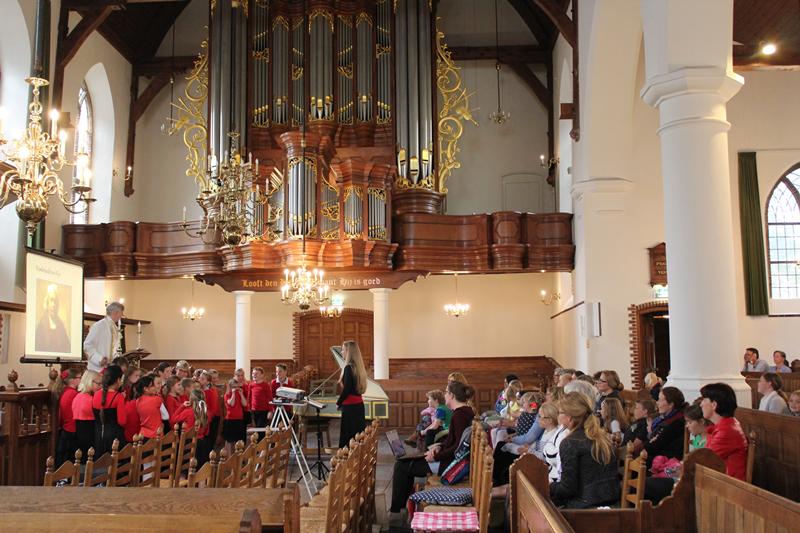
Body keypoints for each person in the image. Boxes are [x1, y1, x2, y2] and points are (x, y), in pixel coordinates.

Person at [389, 380, 475, 515]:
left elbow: (458, 449)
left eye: (446, 392)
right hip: (449, 459)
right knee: (404, 463)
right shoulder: (465, 411)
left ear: (452, 395)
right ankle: (400, 508)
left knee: (401, 466)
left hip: (450, 465)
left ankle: (396, 512)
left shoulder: (459, 415)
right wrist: (439, 446)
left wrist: (435, 456)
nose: (445, 395)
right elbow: (454, 442)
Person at [550, 392, 619, 509]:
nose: (558, 415)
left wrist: (550, 486)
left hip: (584, 506)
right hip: (610, 500)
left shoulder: (570, 442)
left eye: (560, 412)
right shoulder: (603, 436)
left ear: (570, 416)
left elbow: (568, 489)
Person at [700, 383, 748, 480]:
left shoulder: (726, 431)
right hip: (718, 480)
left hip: (727, 487)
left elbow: (705, 460)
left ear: (714, 405)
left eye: (704, 400)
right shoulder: (726, 425)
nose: (701, 404)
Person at [643, 387, 687, 466]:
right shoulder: (665, 419)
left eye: (660, 400)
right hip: (658, 458)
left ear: (670, 404)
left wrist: (651, 440)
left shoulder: (676, 423)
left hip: (667, 463)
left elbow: (652, 447)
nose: (657, 402)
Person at [337, 340, 368, 448]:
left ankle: (347, 463)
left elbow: (347, 390)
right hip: (358, 406)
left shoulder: (348, 367)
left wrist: (338, 402)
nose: (341, 352)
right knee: (357, 435)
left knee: (348, 437)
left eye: (343, 350)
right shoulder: (358, 367)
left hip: (350, 408)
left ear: (348, 352)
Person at [92, 365, 127, 456]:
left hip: (98, 435)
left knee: (101, 465)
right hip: (114, 437)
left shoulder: (96, 394)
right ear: (118, 380)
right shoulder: (118, 397)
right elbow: (122, 421)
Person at [83, 302, 124, 372]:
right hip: (96, 369)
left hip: (109, 369)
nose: (121, 316)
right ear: (115, 312)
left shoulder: (115, 328)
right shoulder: (99, 325)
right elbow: (87, 345)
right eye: (121, 313)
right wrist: (99, 359)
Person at [55, 368, 81, 465]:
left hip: (66, 428)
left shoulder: (65, 391)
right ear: (72, 380)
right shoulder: (73, 393)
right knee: (71, 459)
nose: (81, 380)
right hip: (72, 428)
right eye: (79, 378)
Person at [35, 284, 70, 353]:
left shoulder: (60, 324)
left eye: (56, 301)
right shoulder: (41, 324)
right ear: (47, 303)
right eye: (51, 300)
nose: (54, 305)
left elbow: (67, 347)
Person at [73, 370, 99, 462]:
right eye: (98, 383)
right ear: (90, 381)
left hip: (79, 432)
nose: (100, 386)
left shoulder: (78, 396)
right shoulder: (90, 399)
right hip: (89, 432)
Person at [223, 378, 247, 454]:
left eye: (237, 386)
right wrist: (233, 393)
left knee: (239, 440)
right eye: (234, 387)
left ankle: (239, 458)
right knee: (230, 440)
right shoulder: (227, 395)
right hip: (230, 419)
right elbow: (232, 403)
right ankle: (230, 458)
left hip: (239, 419)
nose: (236, 388)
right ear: (230, 387)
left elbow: (245, 404)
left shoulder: (239, 394)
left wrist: (241, 394)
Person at [199, 370, 220, 448]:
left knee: (209, 442)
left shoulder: (211, 391)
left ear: (208, 382)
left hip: (211, 419)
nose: (200, 380)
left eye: (203, 379)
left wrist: (207, 419)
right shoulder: (201, 391)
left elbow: (214, 409)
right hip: (204, 419)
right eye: (200, 378)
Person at [248, 366, 272, 434]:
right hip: (254, 410)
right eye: (253, 373)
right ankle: (258, 443)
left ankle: (260, 444)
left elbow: (270, 398)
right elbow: (249, 398)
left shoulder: (266, 385)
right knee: (256, 429)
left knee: (260, 429)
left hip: (263, 411)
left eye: (256, 373)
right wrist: (249, 409)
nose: (254, 375)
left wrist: (270, 411)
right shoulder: (251, 385)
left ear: (262, 375)